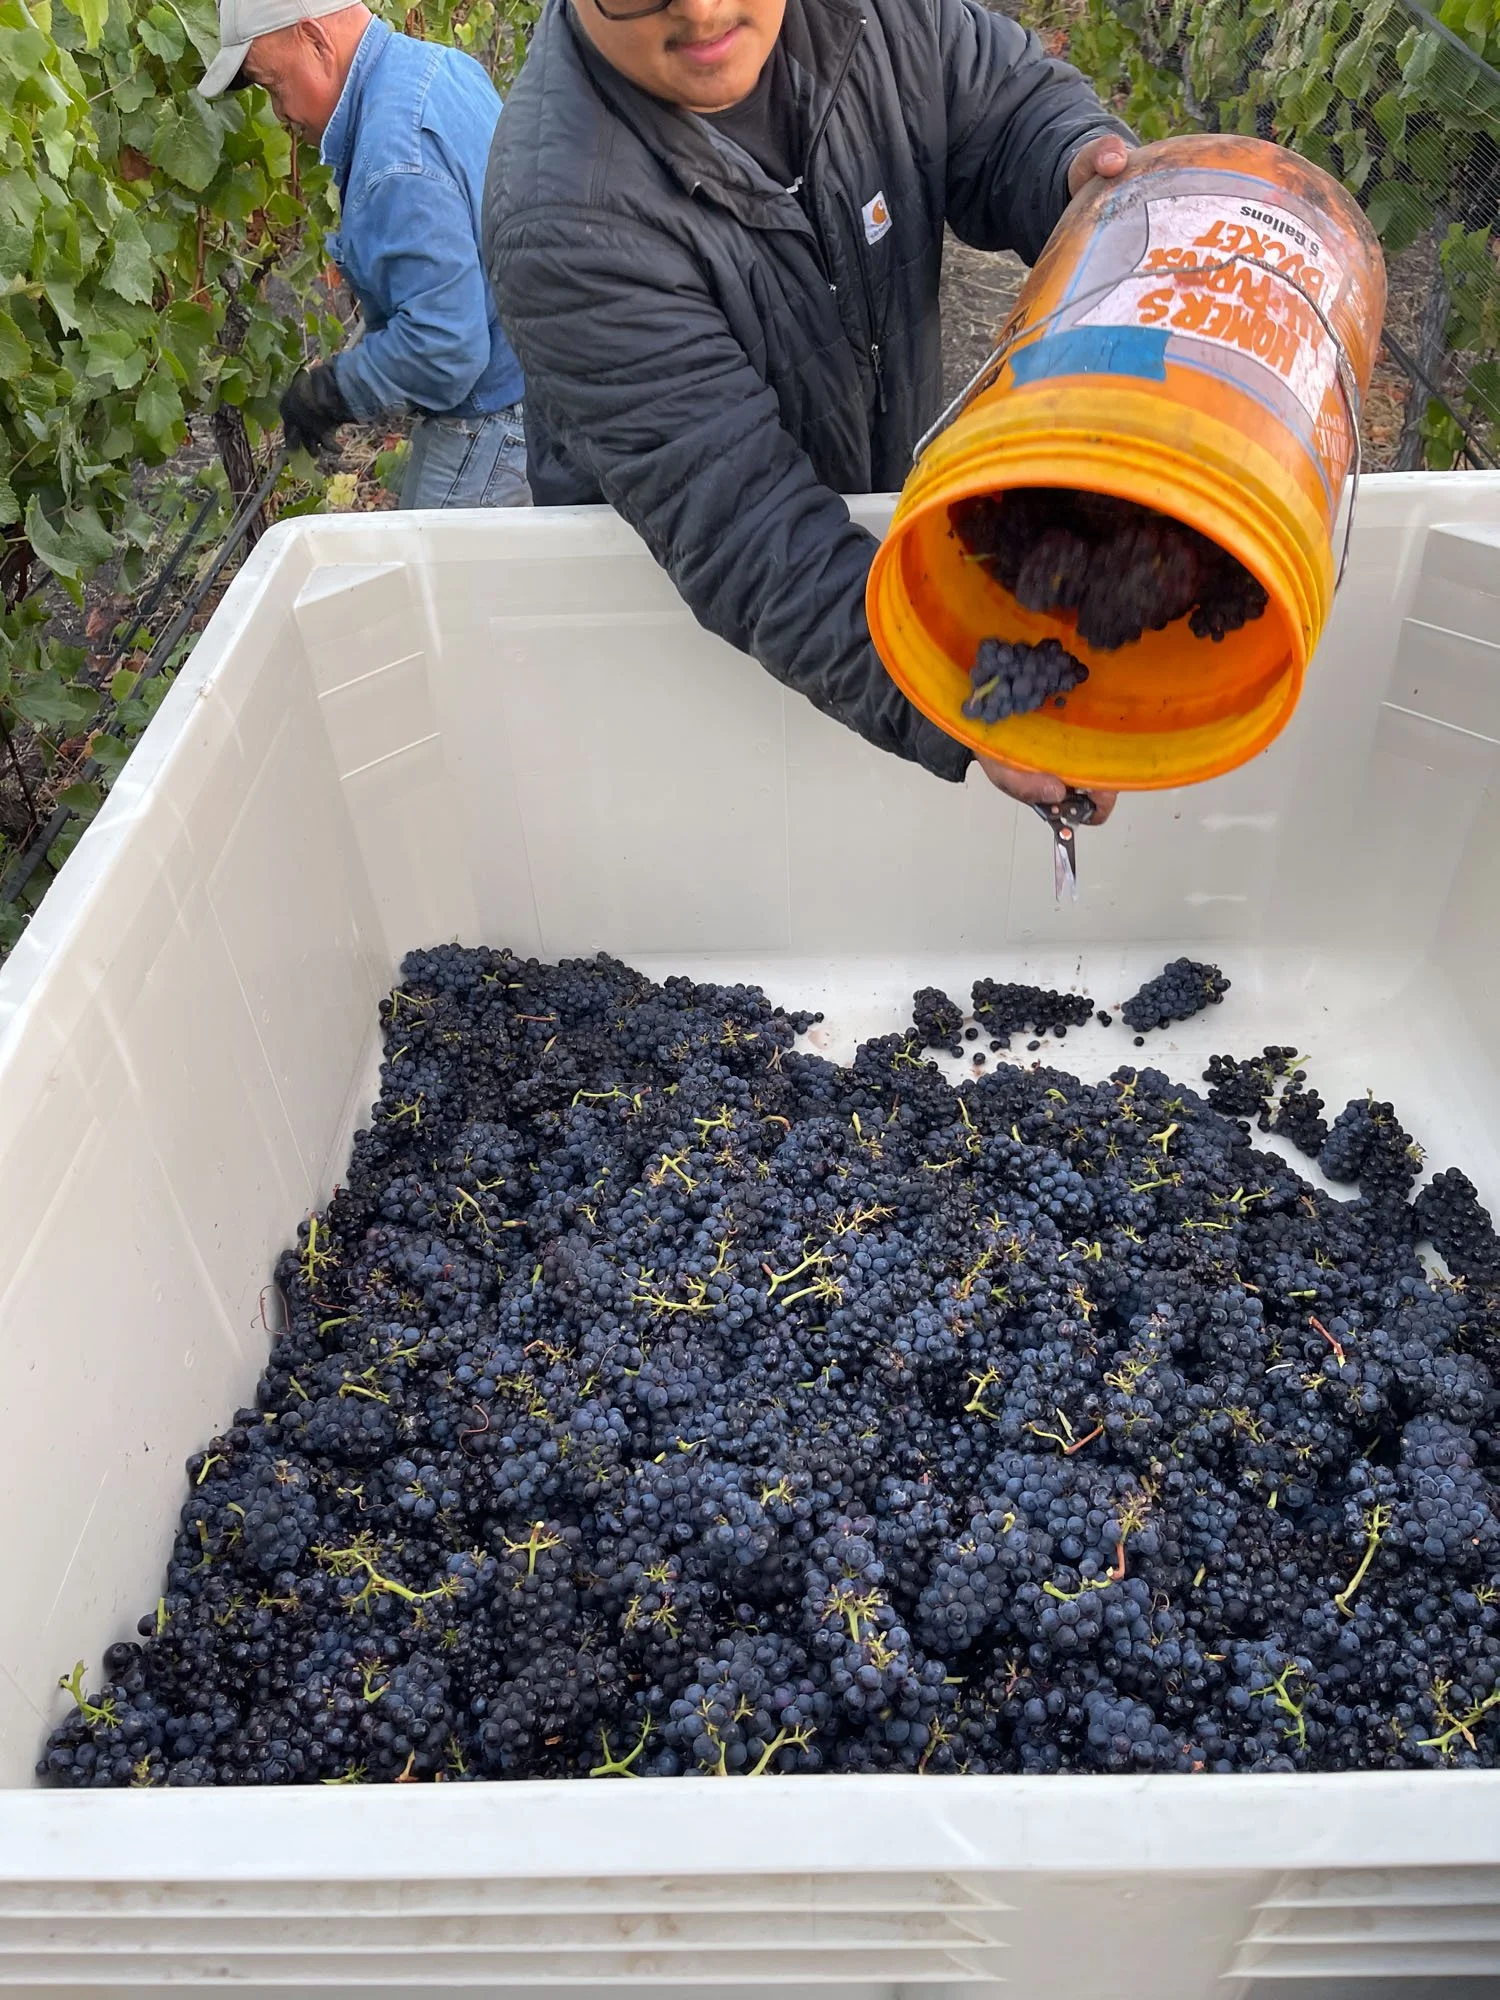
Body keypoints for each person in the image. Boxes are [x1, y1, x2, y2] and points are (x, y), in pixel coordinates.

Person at [482, 0, 1133, 816]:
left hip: (861, 550)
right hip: (675, 628)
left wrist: (1073, 169)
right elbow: (750, 528)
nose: (701, 7)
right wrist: (960, 685)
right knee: (743, 825)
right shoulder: (563, 215)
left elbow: (1007, 110)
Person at [198, 0, 529, 509]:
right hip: (539, 388)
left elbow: (446, 348)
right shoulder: (438, 67)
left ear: (315, 40)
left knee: (430, 587)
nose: (279, 112)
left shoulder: (395, 160)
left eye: (272, 85)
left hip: (488, 420)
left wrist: (336, 392)